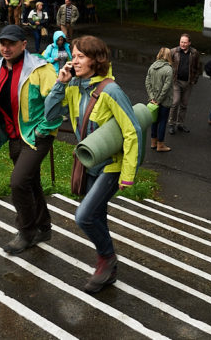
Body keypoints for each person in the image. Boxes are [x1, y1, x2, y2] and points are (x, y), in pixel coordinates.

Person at [57, 35, 144, 293]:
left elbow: (133, 131)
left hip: (111, 166)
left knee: (84, 216)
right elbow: (51, 113)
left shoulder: (111, 91)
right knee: (97, 216)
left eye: (80, 56)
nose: (74, 60)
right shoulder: (74, 87)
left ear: (96, 60)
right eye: (73, 56)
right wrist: (59, 85)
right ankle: (107, 270)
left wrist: (128, 174)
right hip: (90, 163)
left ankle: (107, 258)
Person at [0, 25, 65, 255]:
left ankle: (27, 231)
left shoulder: (41, 70)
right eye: (3, 43)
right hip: (14, 136)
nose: (6, 47)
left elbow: (57, 103)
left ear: (24, 44)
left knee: (18, 182)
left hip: (38, 136)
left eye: (11, 43)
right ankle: (44, 227)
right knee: (30, 182)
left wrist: (43, 130)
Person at [168, 33, 201, 135]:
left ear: (189, 43)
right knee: (175, 102)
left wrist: (194, 79)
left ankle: (180, 124)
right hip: (176, 82)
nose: (183, 44)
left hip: (188, 82)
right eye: (181, 42)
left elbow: (198, 67)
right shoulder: (173, 51)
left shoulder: (194, 53)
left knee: (184, 104)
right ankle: (171, 124)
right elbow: (167, 64)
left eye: (185, 42)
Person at [146, 47, 174, 152]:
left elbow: (147, 82)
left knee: (154, 121)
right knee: (162, 121)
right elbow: (166, 88)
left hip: (153, 101)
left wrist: (152, 97)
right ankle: (160, 145)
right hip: (165, 101)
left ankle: (153, 142)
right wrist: (159, 99)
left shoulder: (152, 66)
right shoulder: (168, 69)